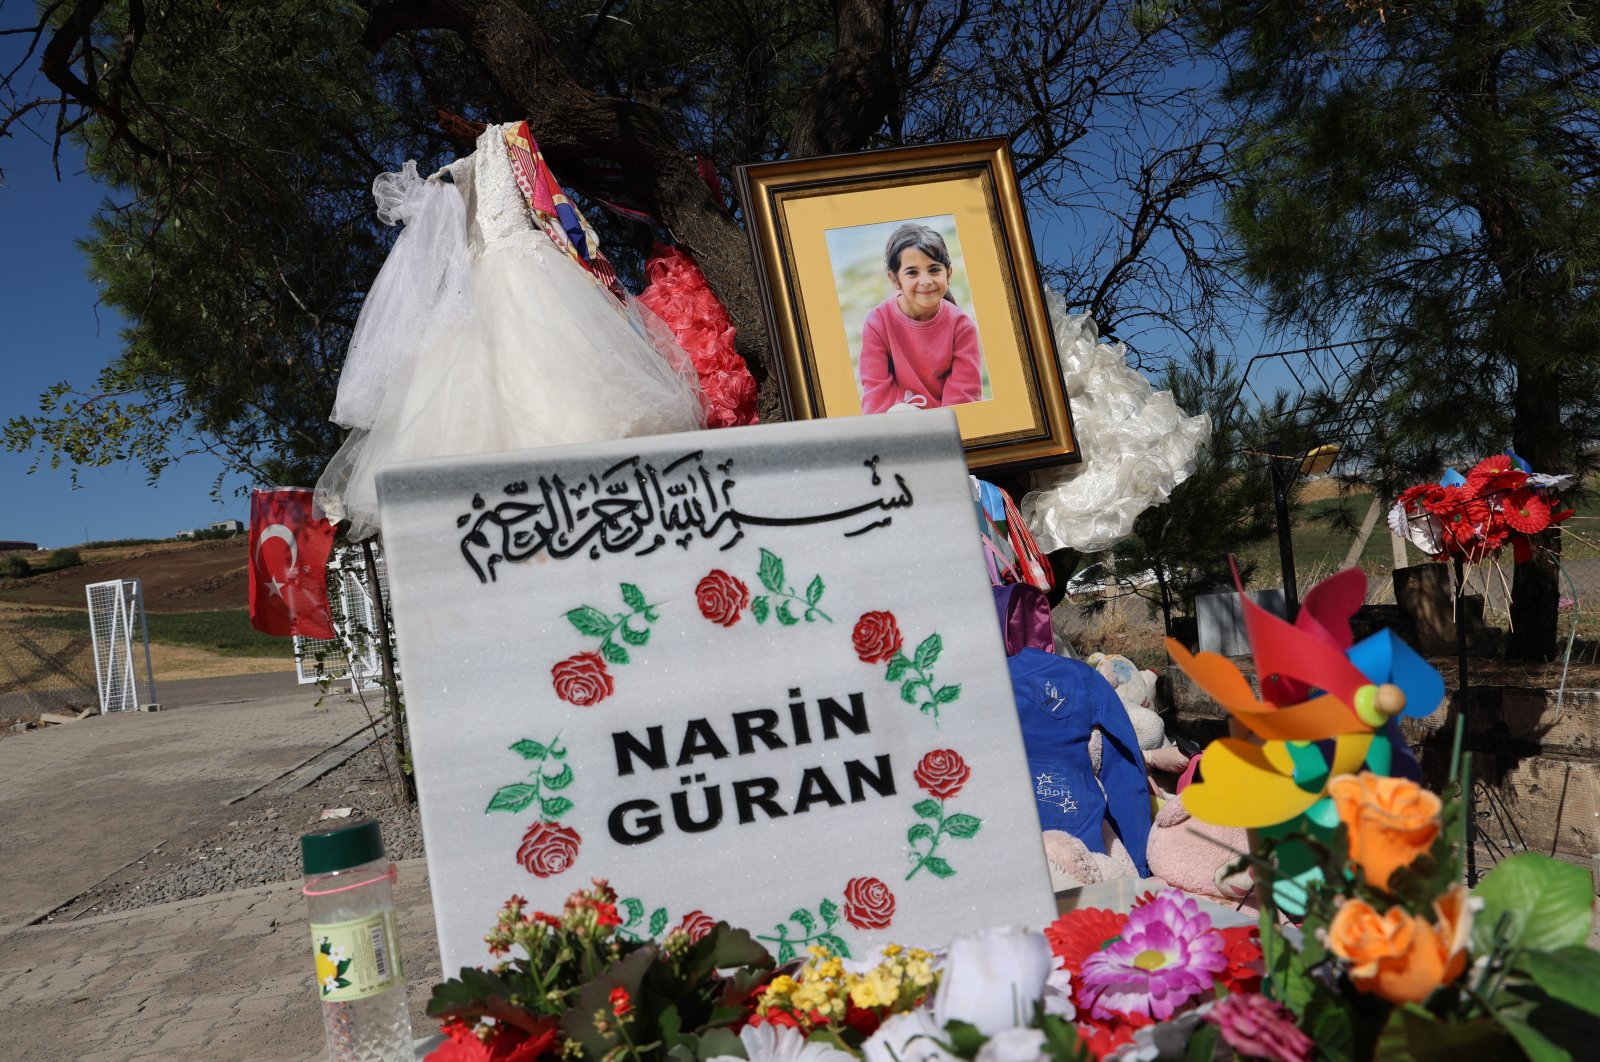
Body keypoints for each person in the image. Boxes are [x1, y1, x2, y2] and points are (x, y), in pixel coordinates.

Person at [857, 223, 984, 413]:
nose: (926, 281)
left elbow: (962, 399)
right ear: (894, 279)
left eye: (934, 269)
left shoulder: (962, 327)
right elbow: (876, 395)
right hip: (904, 422)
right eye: (912, 272)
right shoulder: (877, 322)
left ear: (948, 273)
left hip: (948, 421)